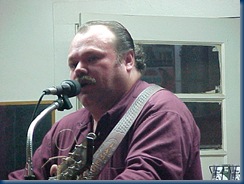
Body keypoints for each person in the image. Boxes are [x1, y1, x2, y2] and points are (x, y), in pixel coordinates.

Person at [8, 20, 202, 180]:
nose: (79, 70)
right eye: (73, 63)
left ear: (128, 60)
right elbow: (25, 177)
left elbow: (143, 177)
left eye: (92, 58)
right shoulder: (66, 127)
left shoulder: (162, 112)